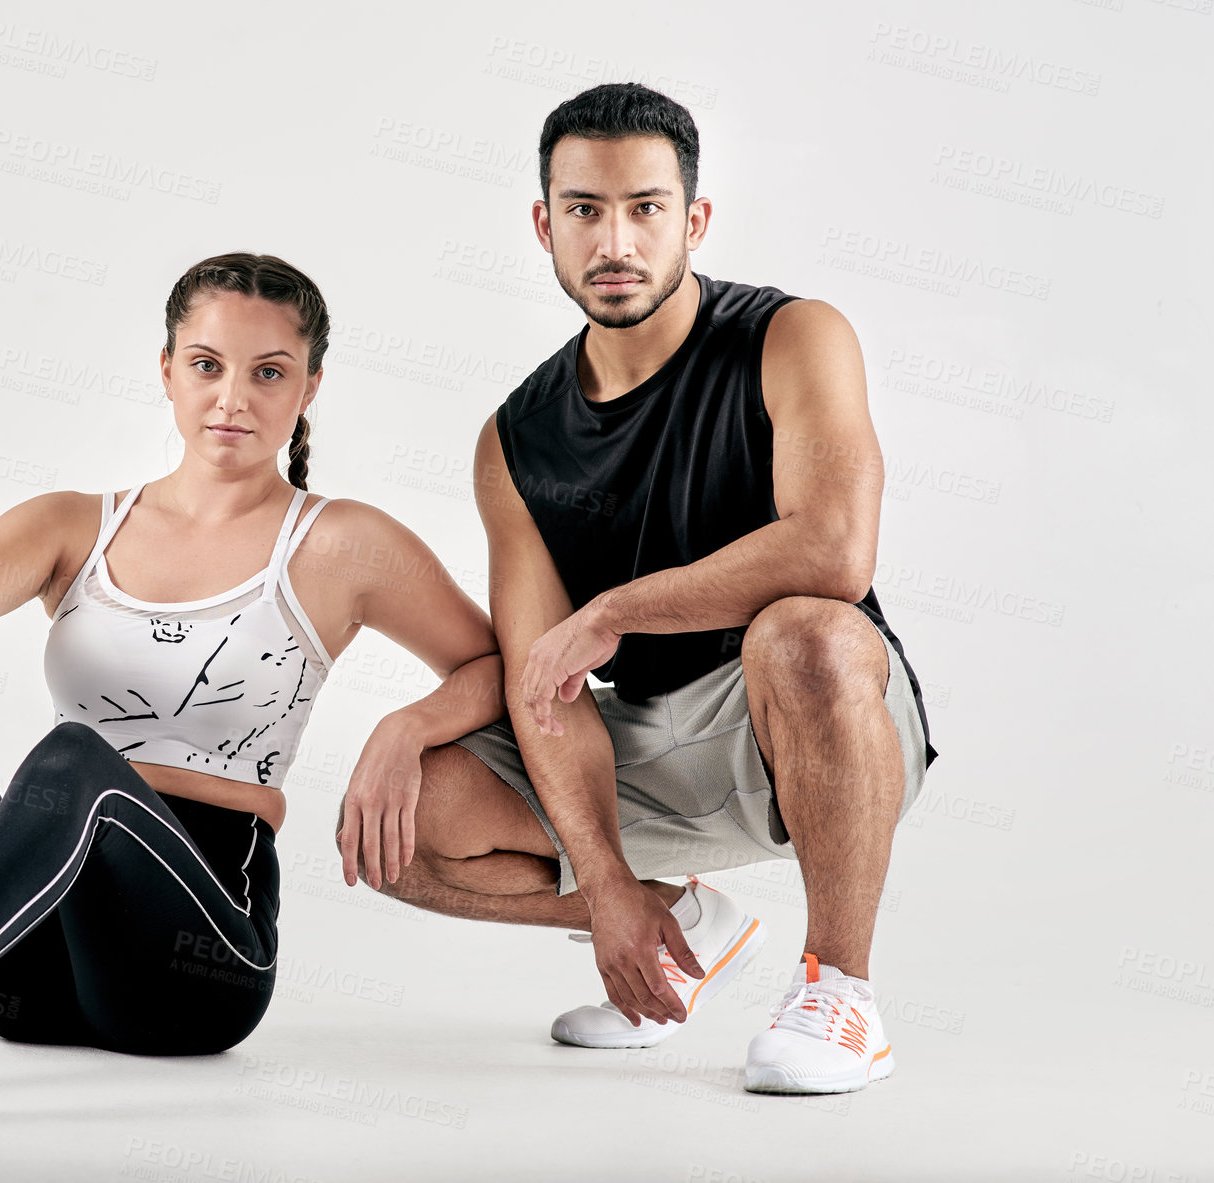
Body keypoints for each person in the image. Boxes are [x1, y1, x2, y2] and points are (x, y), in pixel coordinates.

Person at [0, 252, 503, 1128]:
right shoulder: (74, 523)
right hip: (18, 968)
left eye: (268, 372)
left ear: (309, 387)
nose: (231, 399)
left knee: (73, 755)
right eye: (206, 365)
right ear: (166, 369)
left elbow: (493, 665)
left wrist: (405, 726)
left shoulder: (341, 541)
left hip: (190, 967)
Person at [339, 83, 937, 1096]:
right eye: (584, 210)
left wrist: (614, 610)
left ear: (693, 220)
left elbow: (837, 552)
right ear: (545, 225)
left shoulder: (793, 336)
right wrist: (606, 886)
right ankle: (678, 928)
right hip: (654, 738)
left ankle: (841, 990)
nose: (615, 239)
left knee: (807, 633)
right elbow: (543, 683)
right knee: (400, 832)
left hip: (820, 716)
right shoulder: (515, 439)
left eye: (645, 208)